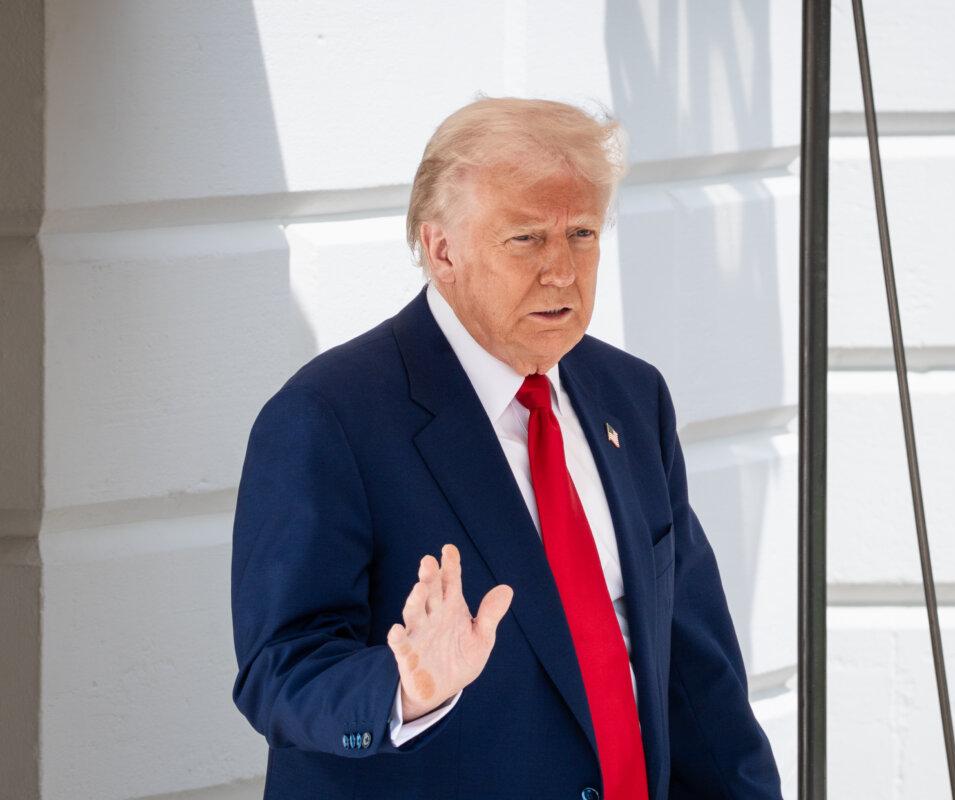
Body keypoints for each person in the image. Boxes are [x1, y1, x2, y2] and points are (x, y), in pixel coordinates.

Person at [230, 96, 783, 799]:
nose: (562, 270)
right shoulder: (327, 417)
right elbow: (281, 669)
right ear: (442, 249)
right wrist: (405, 688)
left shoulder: (631, 397)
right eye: (526, 239)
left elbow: (698, 676)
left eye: (581, 233)